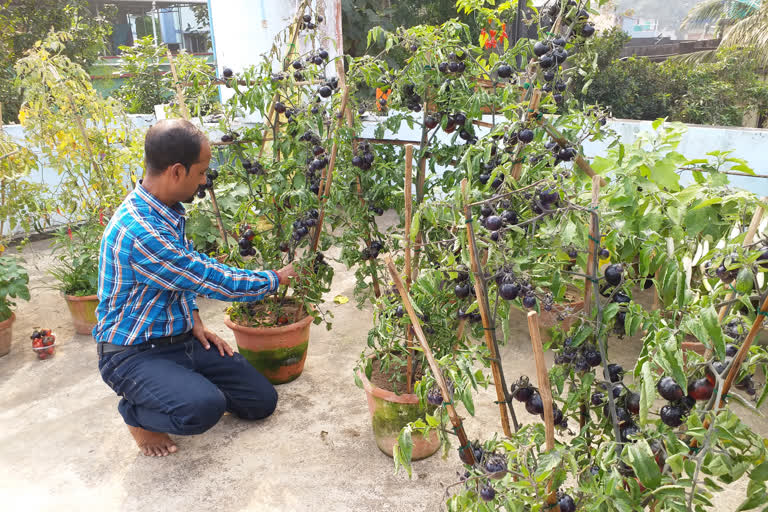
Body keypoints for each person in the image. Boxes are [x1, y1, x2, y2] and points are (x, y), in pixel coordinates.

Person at [94, 119, 296, 457]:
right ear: (176, 171)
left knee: (260, 401)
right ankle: (136, 416)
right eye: (201, 172)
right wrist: (275, 278)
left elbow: (179, 274)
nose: (205, 180)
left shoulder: (166, 211)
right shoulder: (140, 231)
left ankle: (184, 385)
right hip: (132, 354)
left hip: (180, 340)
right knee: (203, 409)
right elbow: (209, 277)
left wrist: (195, 319)